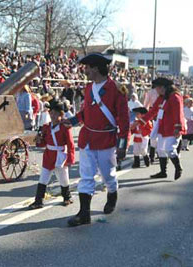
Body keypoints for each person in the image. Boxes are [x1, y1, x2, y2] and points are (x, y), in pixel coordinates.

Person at [64, 53, 129, 227]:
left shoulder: (116, 89)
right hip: (87, 138)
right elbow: (86, 113)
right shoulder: (88, 88)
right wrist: (71, 122)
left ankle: (112, 194)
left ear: (95, 68)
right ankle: (84, 214)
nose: (84, 71)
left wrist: (122, 145)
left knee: (108, 175)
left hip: (106, 140)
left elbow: (124, 120)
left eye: (87, 68)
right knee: (86, 176)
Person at [135, 78, 185, 180]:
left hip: (173, 128)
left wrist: (178, 128)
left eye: (156, 88)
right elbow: (153, 111)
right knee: (160, 149)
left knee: (170, 149)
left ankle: (178, 168)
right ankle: (163, 172)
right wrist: (141, 121)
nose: (155, 90)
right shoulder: (162, 98)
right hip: (163, 127)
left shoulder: (175, 97)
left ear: (163, 87)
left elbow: (178, 113)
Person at [29, 100, 75, 209]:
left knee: (63, 178)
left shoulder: (65, 127)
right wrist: (39, 140)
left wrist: (70, 158)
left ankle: (67, 197)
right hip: (49, 155)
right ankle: (38, 201)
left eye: (56, 113)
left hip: (60, 155)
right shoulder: (46, 127)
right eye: (51, 113)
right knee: (43, 178)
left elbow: (70, 144)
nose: (53, 115)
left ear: (61, 114)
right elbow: (43, 143)